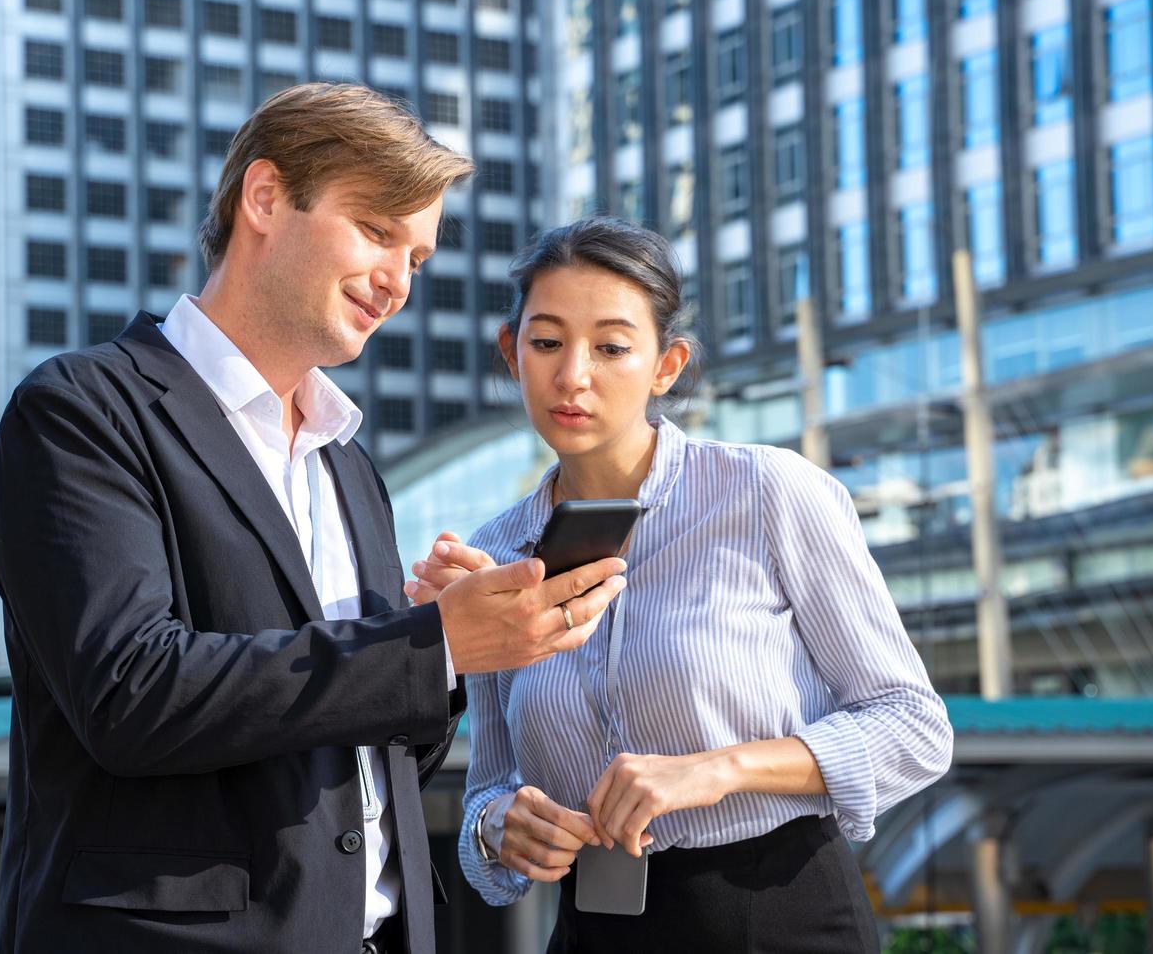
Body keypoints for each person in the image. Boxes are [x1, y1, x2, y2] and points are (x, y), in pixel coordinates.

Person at [0, 84, 628, 954]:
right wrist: (430, 645)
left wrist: (441, 658)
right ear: (264, 199)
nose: (399, 280)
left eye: (419, 257)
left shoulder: (349, 464)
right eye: (377, 231)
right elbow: (132, 695)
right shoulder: (83, 411)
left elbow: (361, 755)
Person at [407, 217, 954, 952]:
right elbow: (490, 788)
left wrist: (719, 770)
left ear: (666, 366)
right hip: (592, 930)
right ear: (512, 355)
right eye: (547, 343)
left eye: (611, 347)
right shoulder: (494, 553)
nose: (574, 375)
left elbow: (912, 726)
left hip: (778, 917)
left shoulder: (766, 493)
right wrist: (497, 827)